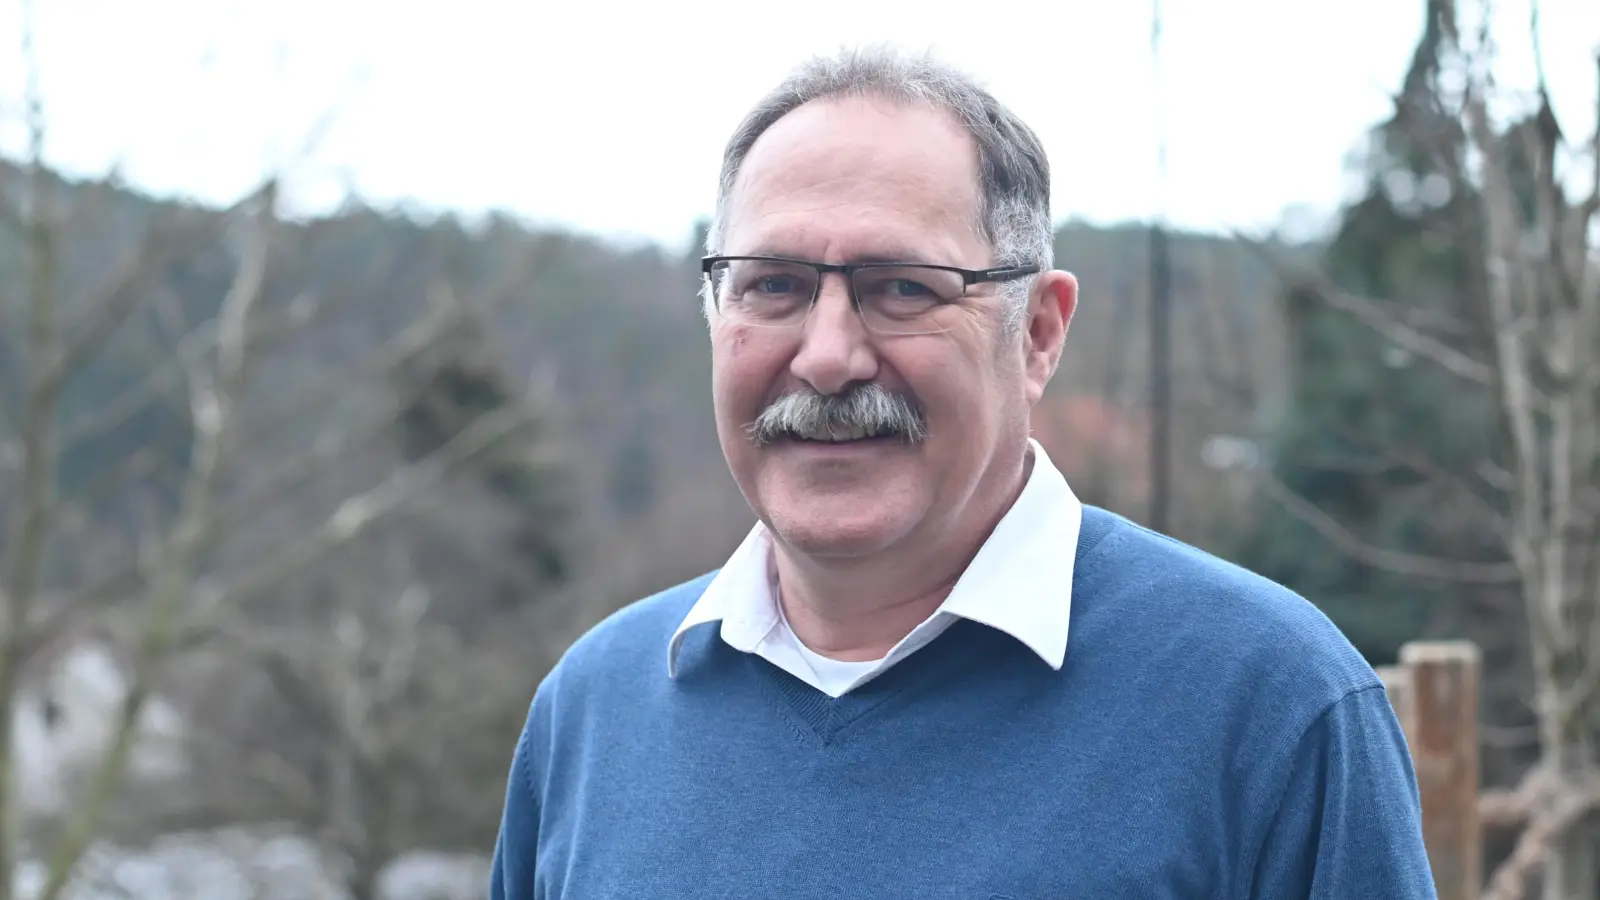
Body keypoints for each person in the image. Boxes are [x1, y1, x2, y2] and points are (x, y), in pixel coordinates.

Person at [489, 46, 1437, 900]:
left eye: (903, 287)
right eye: (770, 285)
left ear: (1038, 332)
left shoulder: (1269, 708)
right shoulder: (594, 710)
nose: (826, 356)